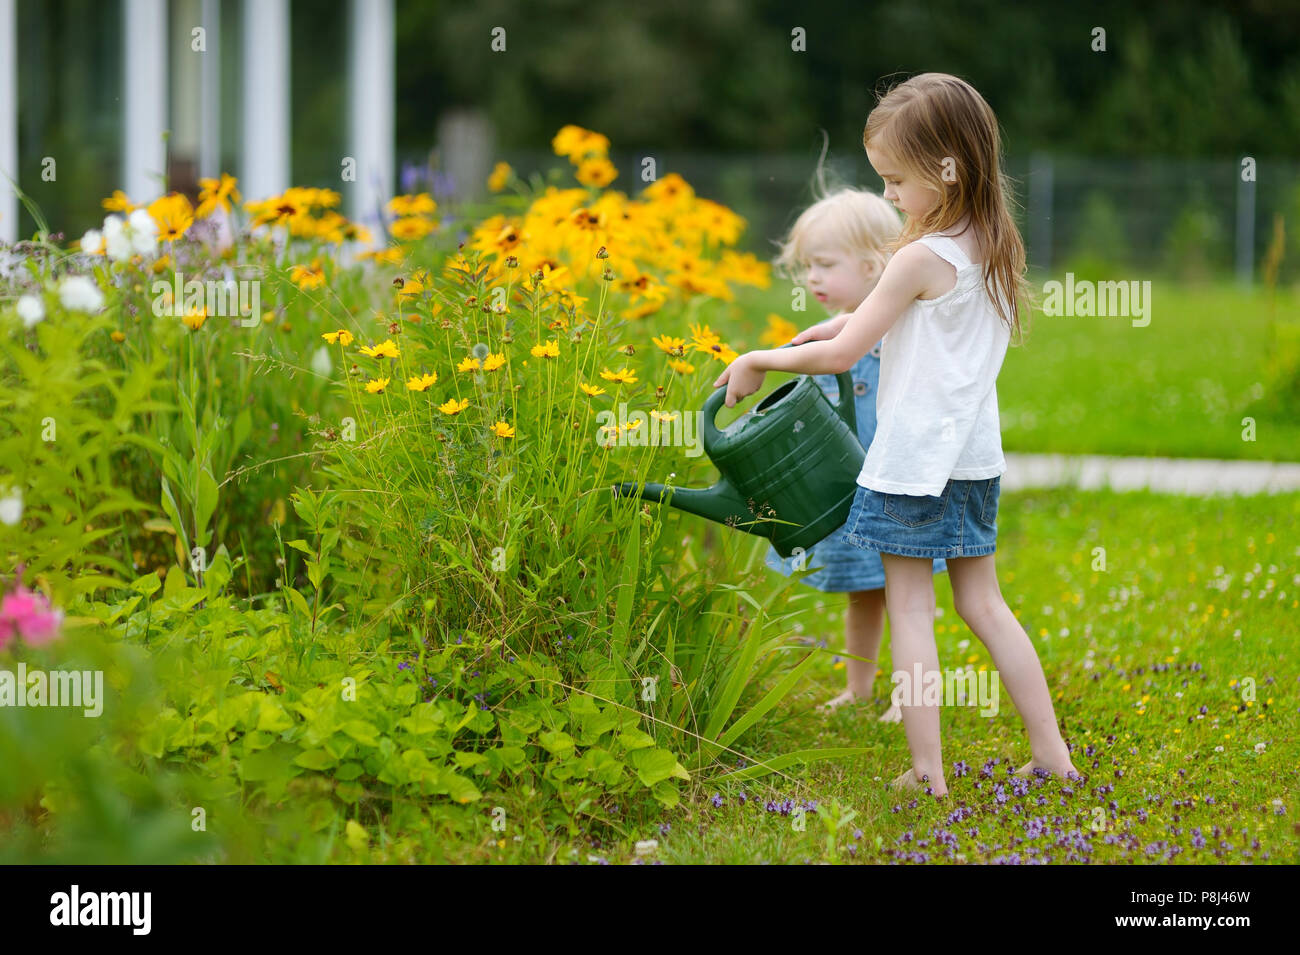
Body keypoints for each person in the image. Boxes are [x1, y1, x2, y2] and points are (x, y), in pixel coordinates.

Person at [714, 73, 1079, 797]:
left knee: (911, 609)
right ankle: (1053, 754)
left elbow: (843, 355)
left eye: (895, 180)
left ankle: (927, 772)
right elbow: (895, 327)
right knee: (985, 606)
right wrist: (831, 324)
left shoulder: (917, 256)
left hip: (912, 465)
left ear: (946, 167)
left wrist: (759, 357)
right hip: (973, 461)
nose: (888, 196)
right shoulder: (990, 244)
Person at [761, 181, 946, 720]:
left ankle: (910, 694)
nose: (811, 278)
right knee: (862, 592)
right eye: (806, 267)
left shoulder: (898, 331)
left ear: (872, 265)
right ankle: (859, 687)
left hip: (896, 486)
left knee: (907, 595)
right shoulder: (823, 337)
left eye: (822, 264)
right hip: (849, 493)